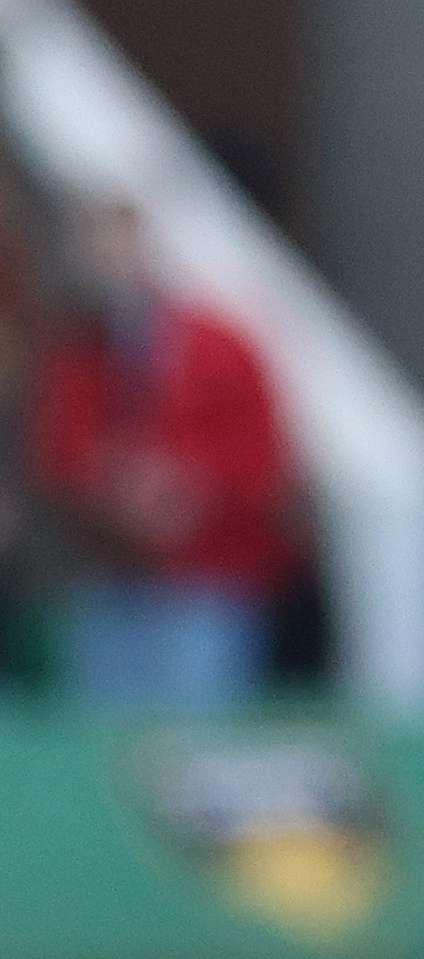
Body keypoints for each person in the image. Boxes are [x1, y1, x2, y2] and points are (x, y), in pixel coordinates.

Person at [30, 195, 300, 712]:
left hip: (209, 581)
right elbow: (58, 461)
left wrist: (189, 484)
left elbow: (265, 463)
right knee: (104, 736)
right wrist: (112, 488)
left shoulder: (223, 345)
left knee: (196, 732)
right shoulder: (76, 357)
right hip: (112, 582)